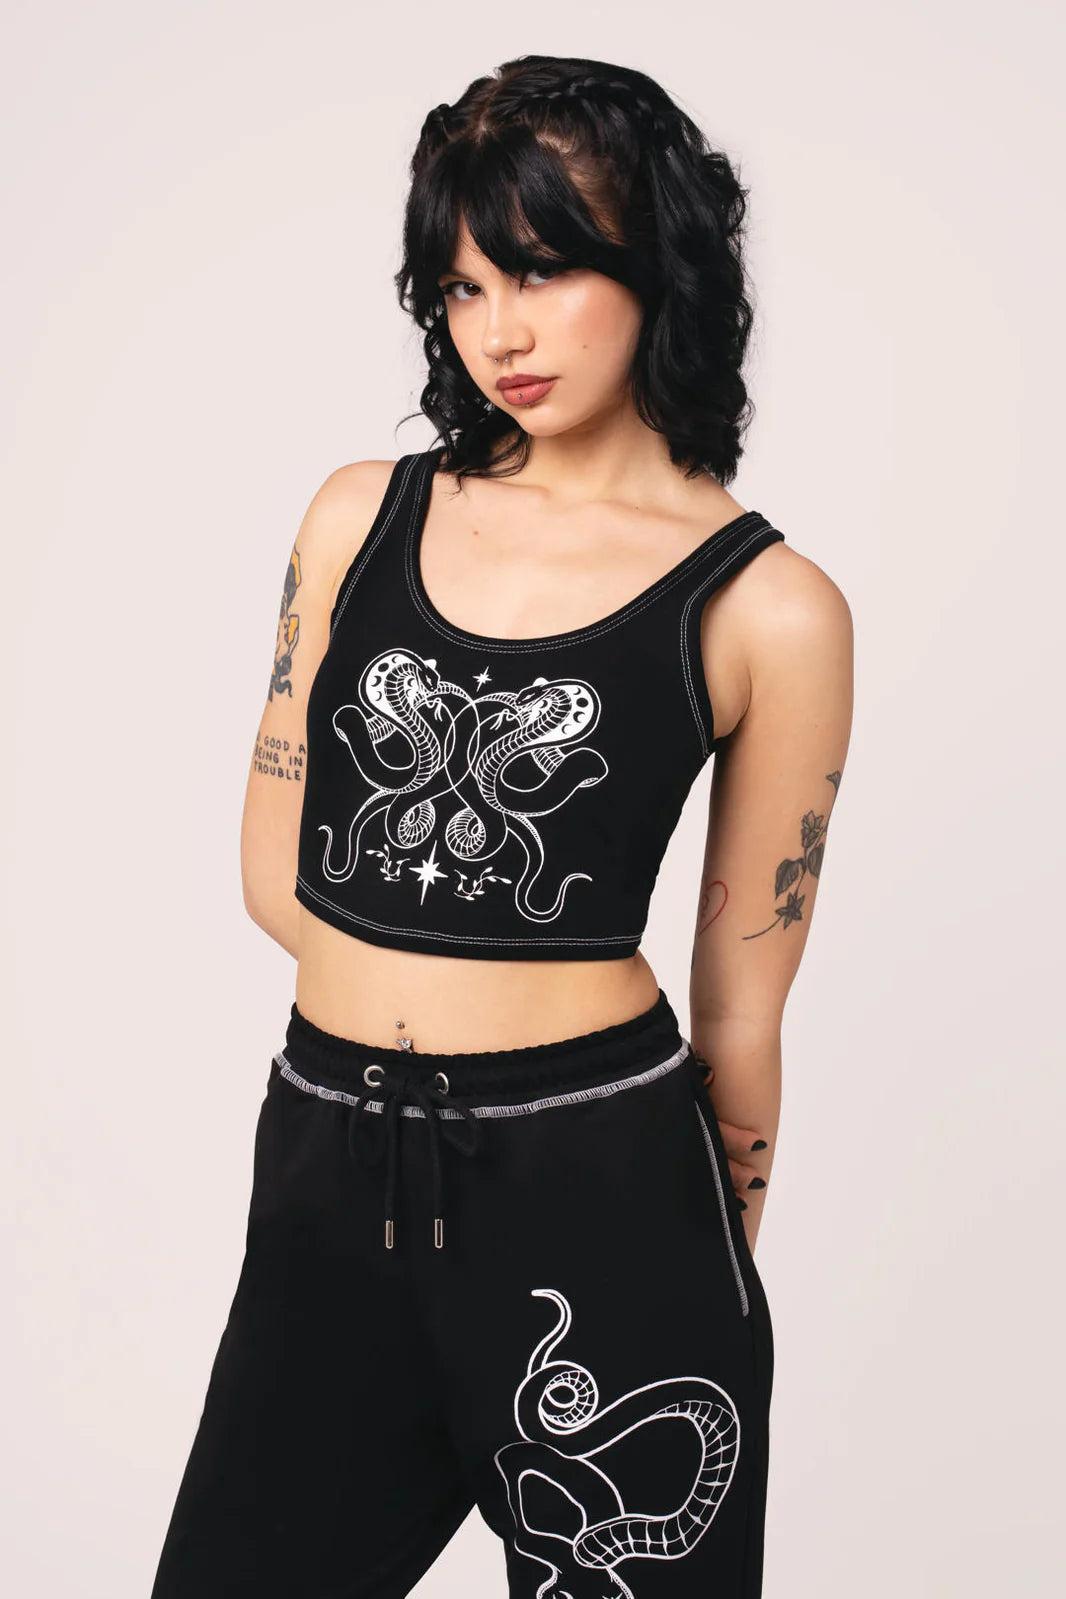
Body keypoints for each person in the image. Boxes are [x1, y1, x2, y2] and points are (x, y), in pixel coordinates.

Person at [149, 52, 853, 1599]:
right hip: (329, 1161)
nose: (500, 334)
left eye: (540, 271)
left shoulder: (769, 607)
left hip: (603, 1191)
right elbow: (275, 867)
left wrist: (706, 1258)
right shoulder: (359, 515)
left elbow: (741, 1008)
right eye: (464, 287)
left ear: (656, 263)